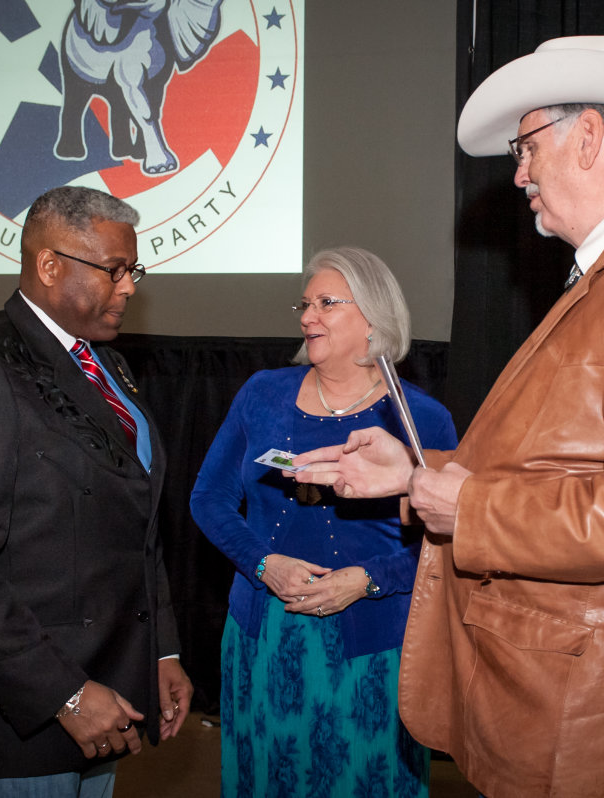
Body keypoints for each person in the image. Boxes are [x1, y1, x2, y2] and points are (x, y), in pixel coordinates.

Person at [293, 37, 604, 797]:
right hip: (573, 693)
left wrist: (466, 502)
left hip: (599, 712)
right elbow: (566, 466)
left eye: (525, 147)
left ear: (588, 136)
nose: (518, 174)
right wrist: (418, 475)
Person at [0, 185, 193, 797]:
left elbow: (136, 523)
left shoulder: (104, 362)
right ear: (50, 265)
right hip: (23, 718)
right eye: (114, 271)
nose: (130, 287)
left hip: (105, 693)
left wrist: (159, 650)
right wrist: (64, 693)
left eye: (132, 270)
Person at [189, 246, 457, 797]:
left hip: (372, 643)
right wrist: (263, 565)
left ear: (374, 317)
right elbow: (209, 498)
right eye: (305, 304)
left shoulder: (420, 418)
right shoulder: (262, 393)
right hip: (263, 633)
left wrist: (367, 580)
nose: (308, 316)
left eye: (327, 303)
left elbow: (446, 543)